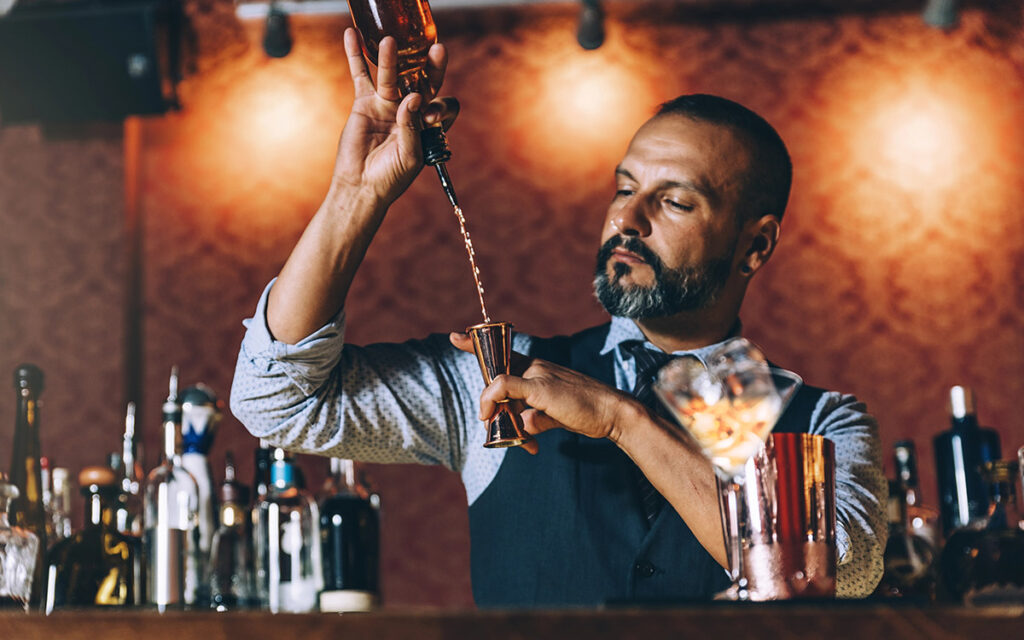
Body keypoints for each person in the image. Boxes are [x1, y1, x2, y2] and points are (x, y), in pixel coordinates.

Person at [230, 28, 886, 606]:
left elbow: (838, 571)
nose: (626, 220)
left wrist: (623, 420)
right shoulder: (498, 382)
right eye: (625, 188)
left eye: (675, 202)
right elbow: (276, 401)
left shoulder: (820, 421)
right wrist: (357, 193)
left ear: (756, 244)